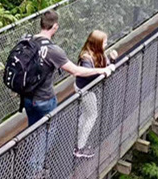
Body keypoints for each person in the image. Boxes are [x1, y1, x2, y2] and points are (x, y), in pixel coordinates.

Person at [20, 11, 113, 178]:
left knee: (33, 130)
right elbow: (75, 71)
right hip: (44, 98)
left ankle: (28, 159)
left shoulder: (27, 41)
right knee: (48, 131)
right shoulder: (53, 50)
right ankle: (34, 170)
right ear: (54, 27)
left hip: (27, 97)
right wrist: (103, 70)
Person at [74, 30, 118, 159]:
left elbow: (106, 66)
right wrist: (103, 72)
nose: (106, 44)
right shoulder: (86, 58)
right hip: (85, 90)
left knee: (86, 114)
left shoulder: (97, 53)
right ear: (97, 43)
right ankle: (80, 148)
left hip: (86, 89)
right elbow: (88, 74)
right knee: (92, 115)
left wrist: (112, 60)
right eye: (104, 42)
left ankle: (79, 142)